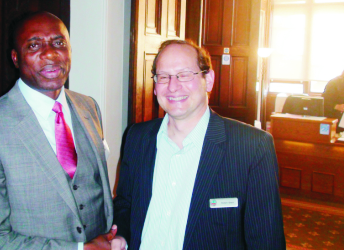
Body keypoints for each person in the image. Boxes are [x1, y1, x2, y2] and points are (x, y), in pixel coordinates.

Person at [0, 12, 117, 250]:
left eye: (59, 43)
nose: (50, 53)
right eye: (33, 45)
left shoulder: (89, 106)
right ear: (15, 58)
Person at [111, 40, 286, 250]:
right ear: (155, 86)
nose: (173, 86)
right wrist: (121, 235)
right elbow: (125, 203)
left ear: (208, 80)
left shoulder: (252, 147)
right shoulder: (137, 137)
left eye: (184, 74)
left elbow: (266, 240)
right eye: (163, 76)